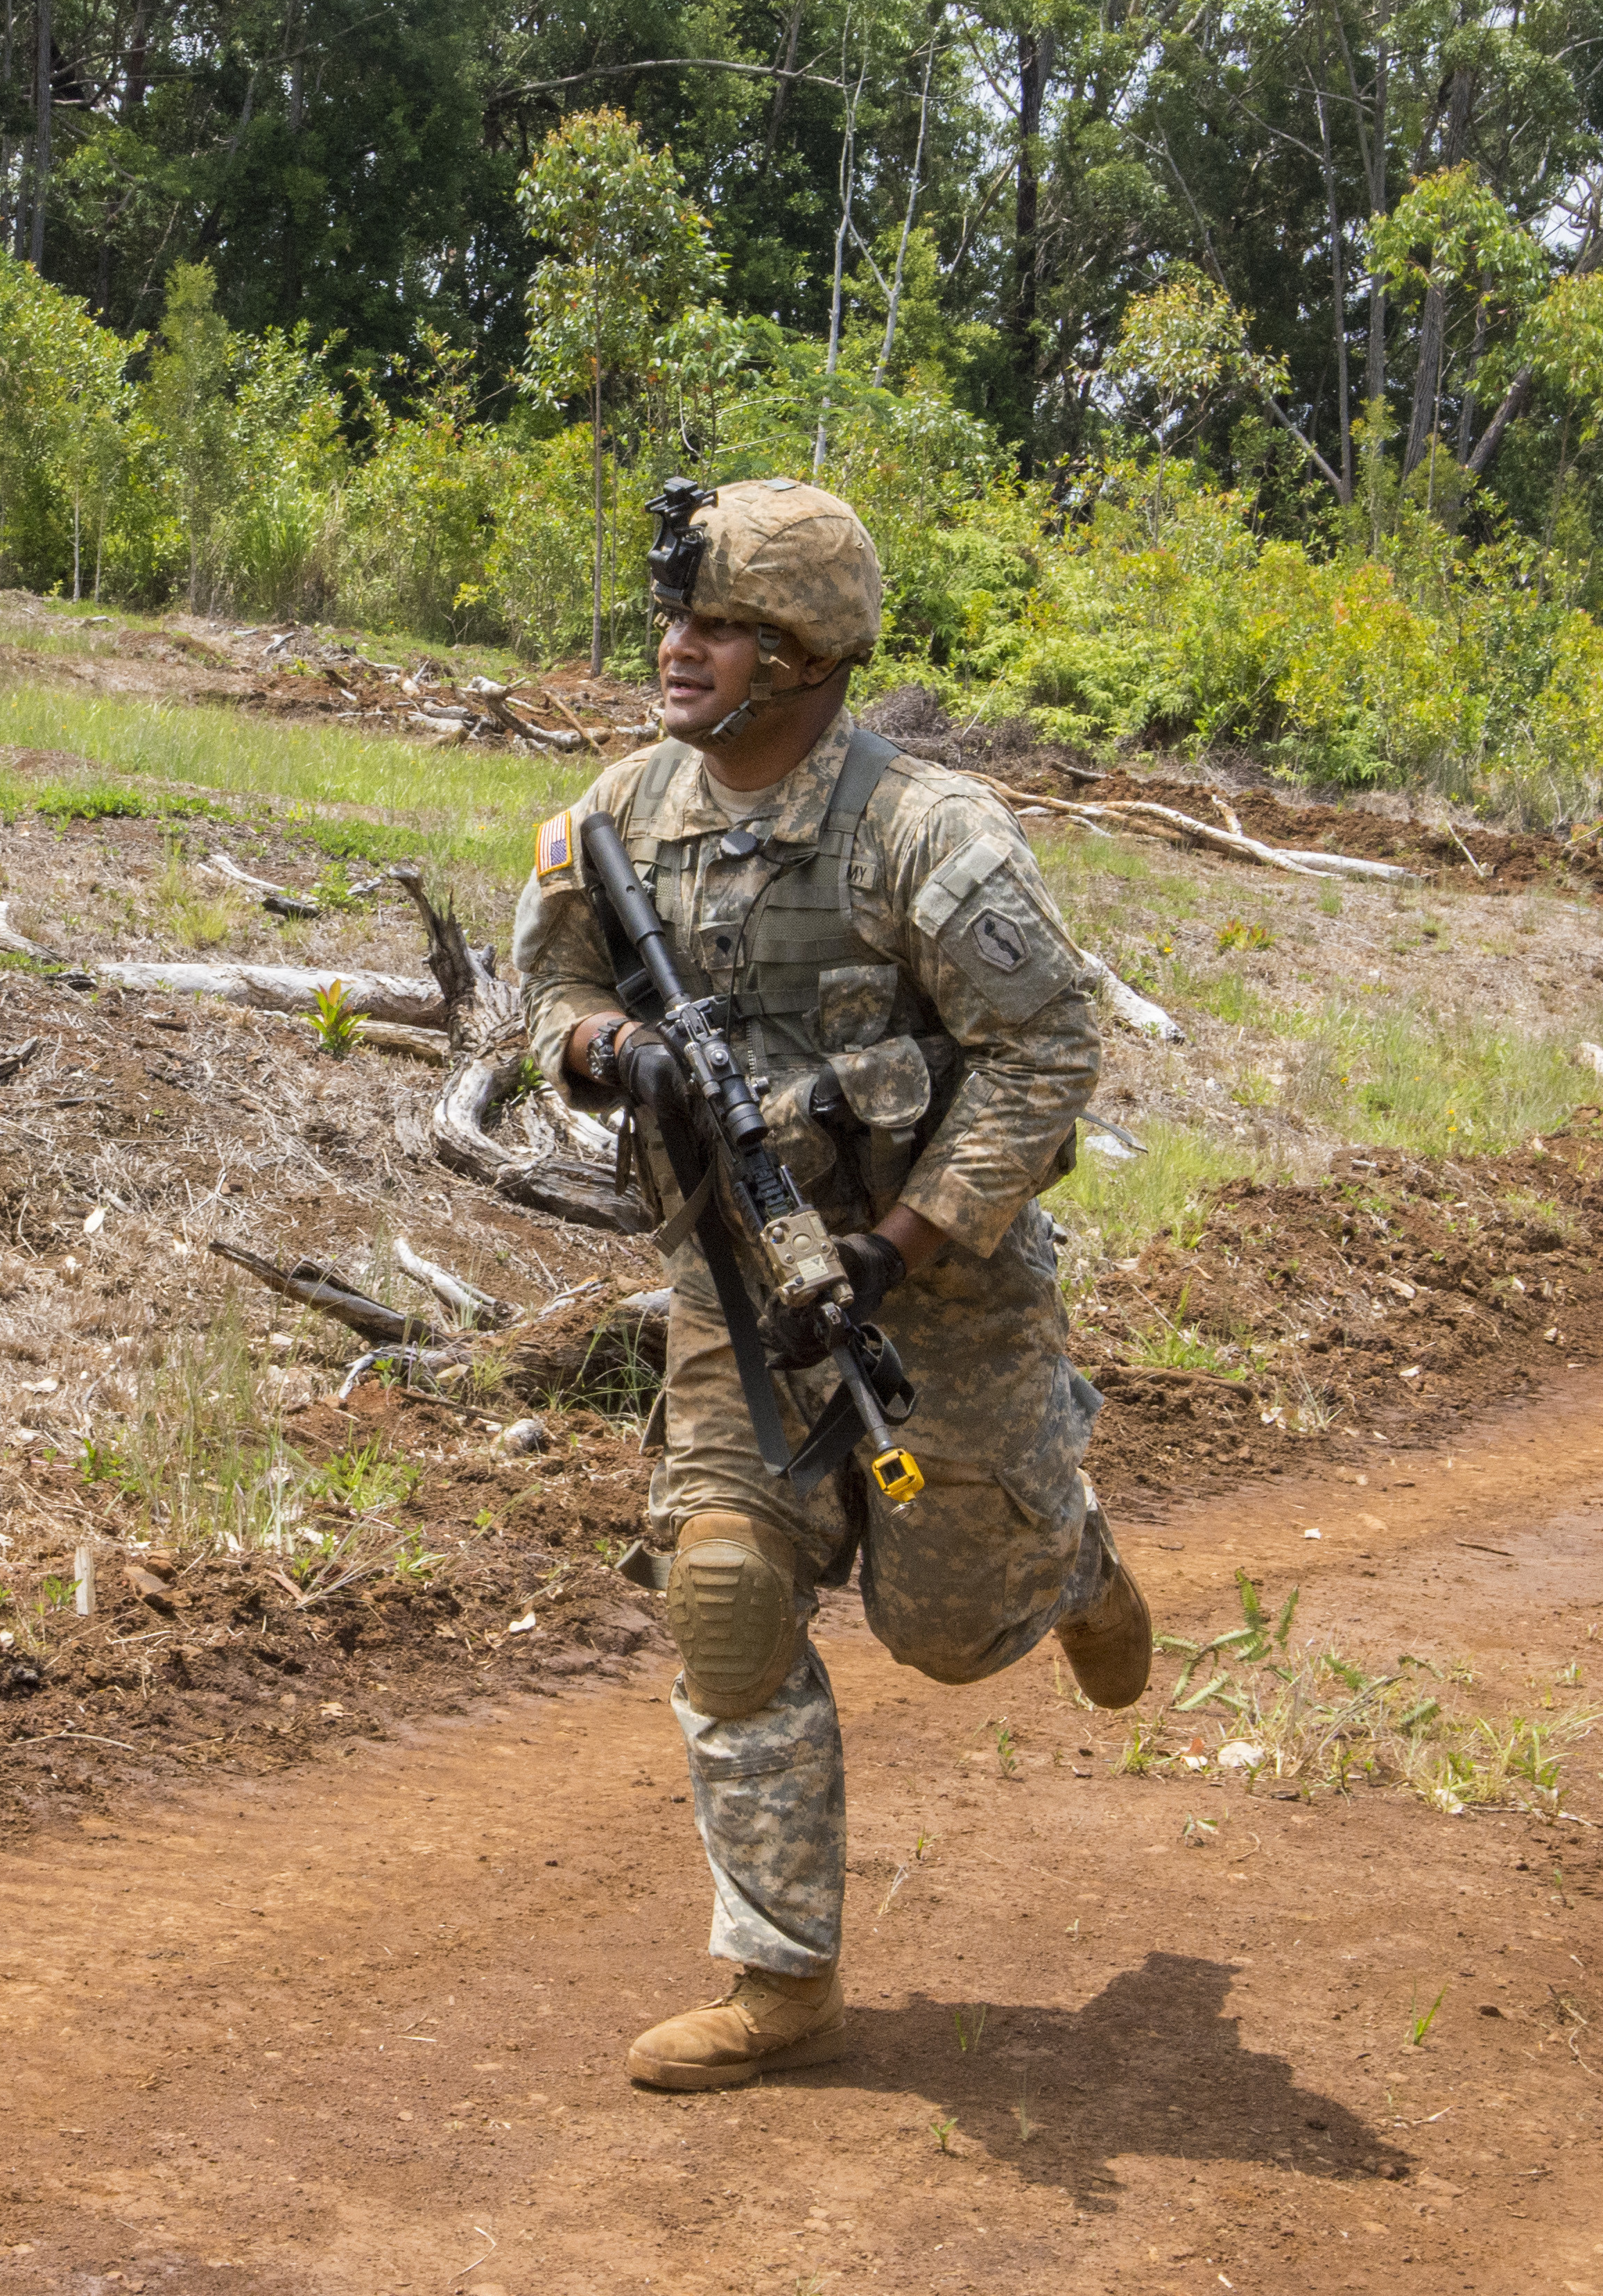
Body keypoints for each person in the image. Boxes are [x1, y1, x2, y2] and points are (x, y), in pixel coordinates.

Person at [510, 476, 1154, 2094]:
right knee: (721, 1594)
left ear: (801, 656)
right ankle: (779, 1981)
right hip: (729, 1287)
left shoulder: (921, 833)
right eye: (677, 618)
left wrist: (900, 1239)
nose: (678, 648)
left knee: (948, 1631)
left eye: (718, 626)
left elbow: (1045, 1048)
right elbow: (547, 988)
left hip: (931, 1293)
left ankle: (1061, 1556)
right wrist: (605, 1045)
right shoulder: (618, 811)